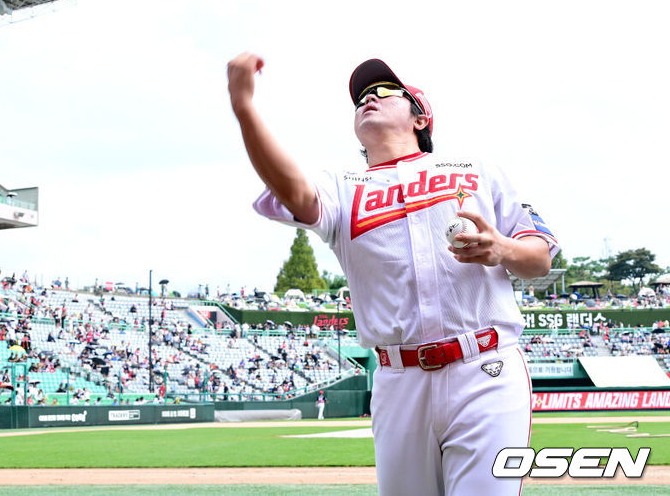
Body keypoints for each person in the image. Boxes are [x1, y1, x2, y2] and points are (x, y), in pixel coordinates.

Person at [227, 54, 558, 496]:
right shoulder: (342, 186)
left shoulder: (475, 170)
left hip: (485, 368)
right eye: (361, 98)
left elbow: (540, 259)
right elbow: (294, 192)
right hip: (398, 380)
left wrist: (503, 248)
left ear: (421, 117)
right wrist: (245, 109)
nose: (368, 99)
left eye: (383, 92)